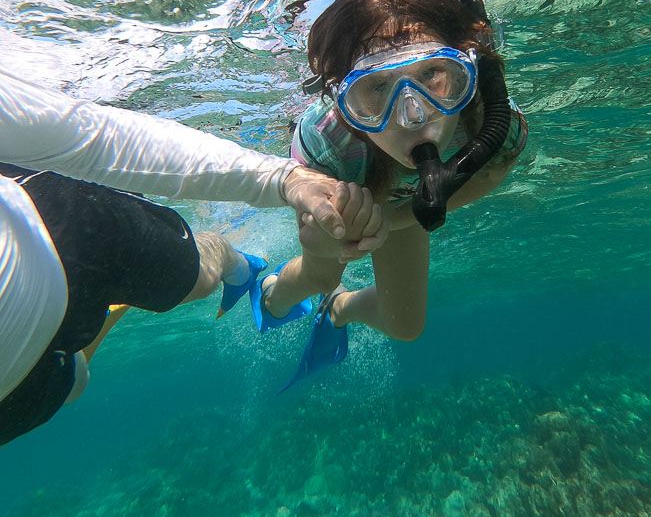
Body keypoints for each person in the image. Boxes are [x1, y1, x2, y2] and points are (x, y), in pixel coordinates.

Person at [0, 68, 385, 444]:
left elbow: (93, 137)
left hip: (68, 237)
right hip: (18, 391)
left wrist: (284, 178)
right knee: (74, 384)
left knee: (199, 281)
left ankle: (230, 258)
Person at [243, 0, 528, 387]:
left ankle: (336, 310)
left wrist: (395, 218)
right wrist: (332, 237)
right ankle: (266, 289)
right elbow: (320, 234)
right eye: (376, 88)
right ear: (344, 99)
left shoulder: (488, 121)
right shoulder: (328, 141)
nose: (413, 115)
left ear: (466, 71)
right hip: (344, 200)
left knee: (406, 327)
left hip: (396, 205)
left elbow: (491, 174)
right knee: (321, 275)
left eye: (432, 73)